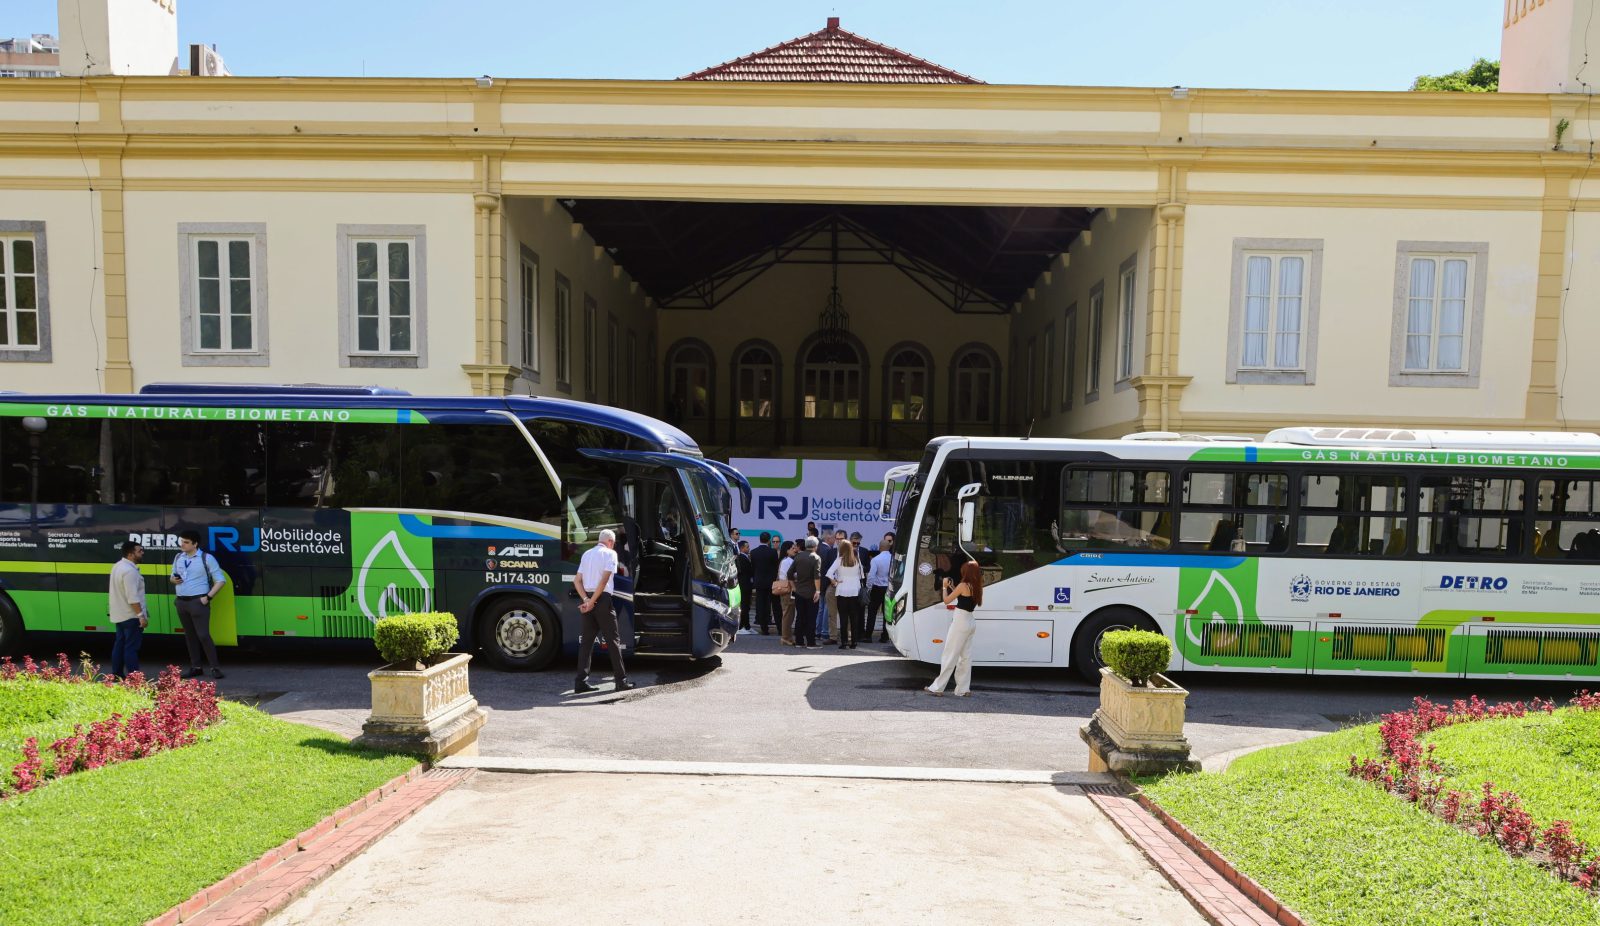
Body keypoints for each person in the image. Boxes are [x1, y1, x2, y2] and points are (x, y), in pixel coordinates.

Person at [572, 528, 633, 693]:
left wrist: (586, 600)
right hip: (602, 600)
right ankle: (621, 681)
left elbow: (577, 581)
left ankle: (580, 682)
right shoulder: (610, 554)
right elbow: (605, 580)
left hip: (588, 599)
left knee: (586, 643)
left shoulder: (586, 554)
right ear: (611, 542)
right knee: (613, 641)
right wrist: (592, 602)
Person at [171, 530, 226, 679]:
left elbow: (220, 580)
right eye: (181, 541)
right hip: (181, 601)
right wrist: (174, 580)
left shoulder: (206, 558)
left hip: (198, 601)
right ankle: (196, 667)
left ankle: (215, 668)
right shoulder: (178, 557)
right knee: (190, 636)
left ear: (195, 544)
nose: (182, 544)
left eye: (186, 542)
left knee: (203, 635)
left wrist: (207, 598)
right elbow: (172, 576)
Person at [925, 560, 982, 697]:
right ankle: (963, 689)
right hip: (970, 622)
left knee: (949, 655)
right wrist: (952, 587)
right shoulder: (977, 585)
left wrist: (945, 587)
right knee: (965, 657)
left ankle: (938, 688)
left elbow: (946, 600)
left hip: (960, 622)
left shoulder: (963, 585)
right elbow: (963, 598)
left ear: (966, 572)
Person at [109, 540, 147, 680]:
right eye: (139, 551)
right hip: (131, 616)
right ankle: (135, 679)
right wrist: (141, 616)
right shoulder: (130, 571)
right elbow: (133, 597)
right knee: (131, 648)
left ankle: (116, 675)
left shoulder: (117, 566)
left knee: (119, 645)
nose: (142, 553)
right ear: (131, 554)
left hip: (119, 615)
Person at [825, 539, 866, 649]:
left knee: (843, 618)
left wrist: (834, 581)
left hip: (842, 590)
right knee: (854, 618)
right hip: (855, 591)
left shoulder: (839, 560)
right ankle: (854, 642)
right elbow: (862, 575)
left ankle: (844, 642)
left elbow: (829, 573)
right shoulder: (857, 559)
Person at [790, 536, 823, 649]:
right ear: (815, 546)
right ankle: (811, 642)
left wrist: (793, 586)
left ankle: (799, 641)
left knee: (800, 617)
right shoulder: (816, 558)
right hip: (812, 592)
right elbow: (817, 577)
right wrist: (818, 591)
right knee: (811, 618)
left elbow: (790, 573)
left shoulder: (798, 556)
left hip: (799, 591)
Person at [749, 531, 779, 635]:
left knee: (760, 604)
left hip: (759, 581)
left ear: (760, 539)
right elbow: (776, 567)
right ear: (769, 540)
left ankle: (763, 626)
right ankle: (773, 625)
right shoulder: (773, 552)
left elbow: (752, 568)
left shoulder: (753, 552)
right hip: (771, 582)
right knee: (771, 604)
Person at [864, 538, 892, 642]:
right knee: (887, 613)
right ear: (889, 547)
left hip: (877, 588)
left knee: (872, 612)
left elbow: (871, 575)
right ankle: (885, 636)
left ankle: (868, 636)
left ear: (880, 548)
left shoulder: (876, 559)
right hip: (889, 588)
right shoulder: (893, 558)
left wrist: (869, 587)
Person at [778, 540, 798, 645]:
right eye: (792, 548)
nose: (795, 550)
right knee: (788, 614)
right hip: (788, 590)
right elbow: (789, 576)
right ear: (787, 550)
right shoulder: (788, 561)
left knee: (789, 614)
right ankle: (785, 637)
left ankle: (788, 636)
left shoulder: (786, 560)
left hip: (787, 589)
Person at [735, 540, 754, 633]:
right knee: (744, 605)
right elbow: (747, 571)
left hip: (747, 585)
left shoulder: (746, 557)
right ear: (742, 548)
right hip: (743, 585)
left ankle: (747, 626)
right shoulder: (741, 558)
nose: (748, 548)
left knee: (746, 605)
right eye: (747, 547)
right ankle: (741, 626)